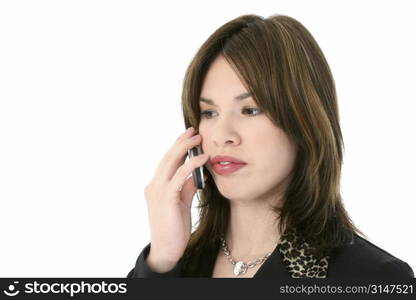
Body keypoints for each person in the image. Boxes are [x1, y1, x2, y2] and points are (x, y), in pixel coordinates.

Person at [127, 13, 414, 278]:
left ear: (304, 120)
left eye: (250, 110)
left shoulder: (373, 277)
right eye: (209, 113)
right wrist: (161, 262)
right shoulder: (170, 266)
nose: (222, 135)